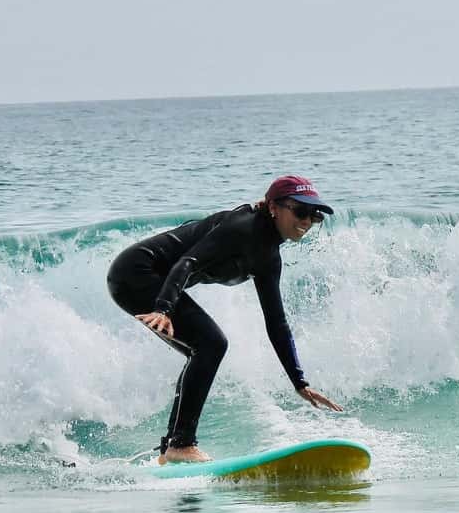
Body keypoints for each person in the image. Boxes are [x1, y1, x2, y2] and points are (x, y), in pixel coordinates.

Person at [106, 175, 342, 463]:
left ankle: (171, 447)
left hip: (151, 282)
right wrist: (164, 308)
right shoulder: (242, 228)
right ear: (273, 208)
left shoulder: (268, 257)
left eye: (314, 216)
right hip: (136, 273)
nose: (307, 221)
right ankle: (181, 443)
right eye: (300, 211)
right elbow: (187, 262)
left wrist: (299, 381)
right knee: (211, 344)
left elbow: (276, 322)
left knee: (203, 349)